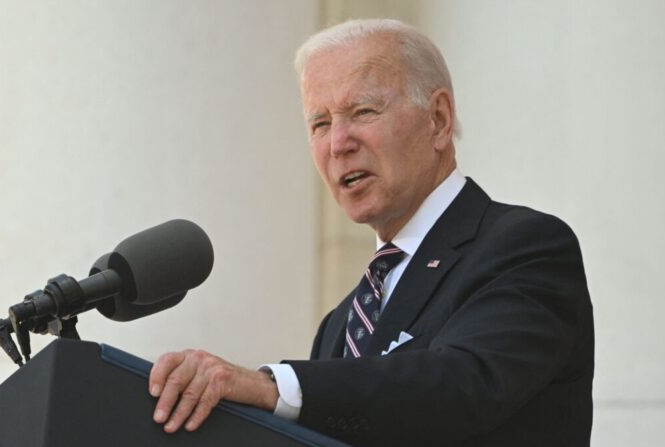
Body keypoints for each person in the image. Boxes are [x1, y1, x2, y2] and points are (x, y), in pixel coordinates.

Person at [147, 19, 594, 447]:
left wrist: (272, 385)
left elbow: (461, 385)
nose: (338, 143)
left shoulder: (526, 248)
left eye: (362, 111)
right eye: (319, 124)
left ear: (437, 120)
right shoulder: (340, 324)